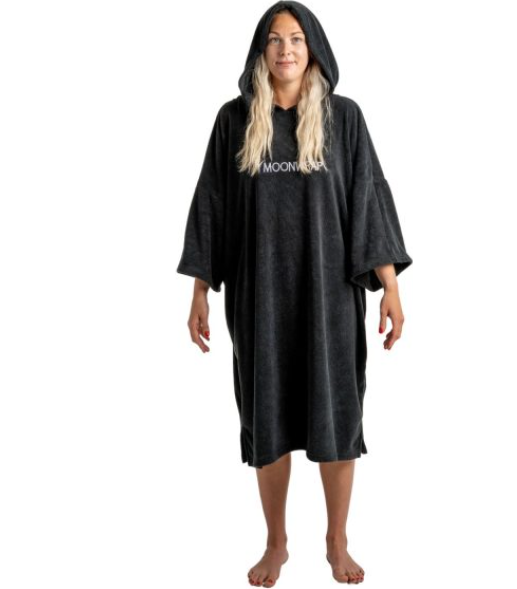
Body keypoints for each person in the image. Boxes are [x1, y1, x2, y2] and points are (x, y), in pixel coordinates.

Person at [177, 1, 413, 585]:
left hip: (329, 299)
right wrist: (200, 290)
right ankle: (276, 542)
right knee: (269, 416)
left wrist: (389, 287)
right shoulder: (234, 120)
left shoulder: (344, 118)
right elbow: (212, 205)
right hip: (261, 299)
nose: (286, 49)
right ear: (261, 50)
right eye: (276, 39)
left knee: (337, 415)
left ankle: (337, 540)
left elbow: (367, 198)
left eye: (296, 39)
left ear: (314, 50)